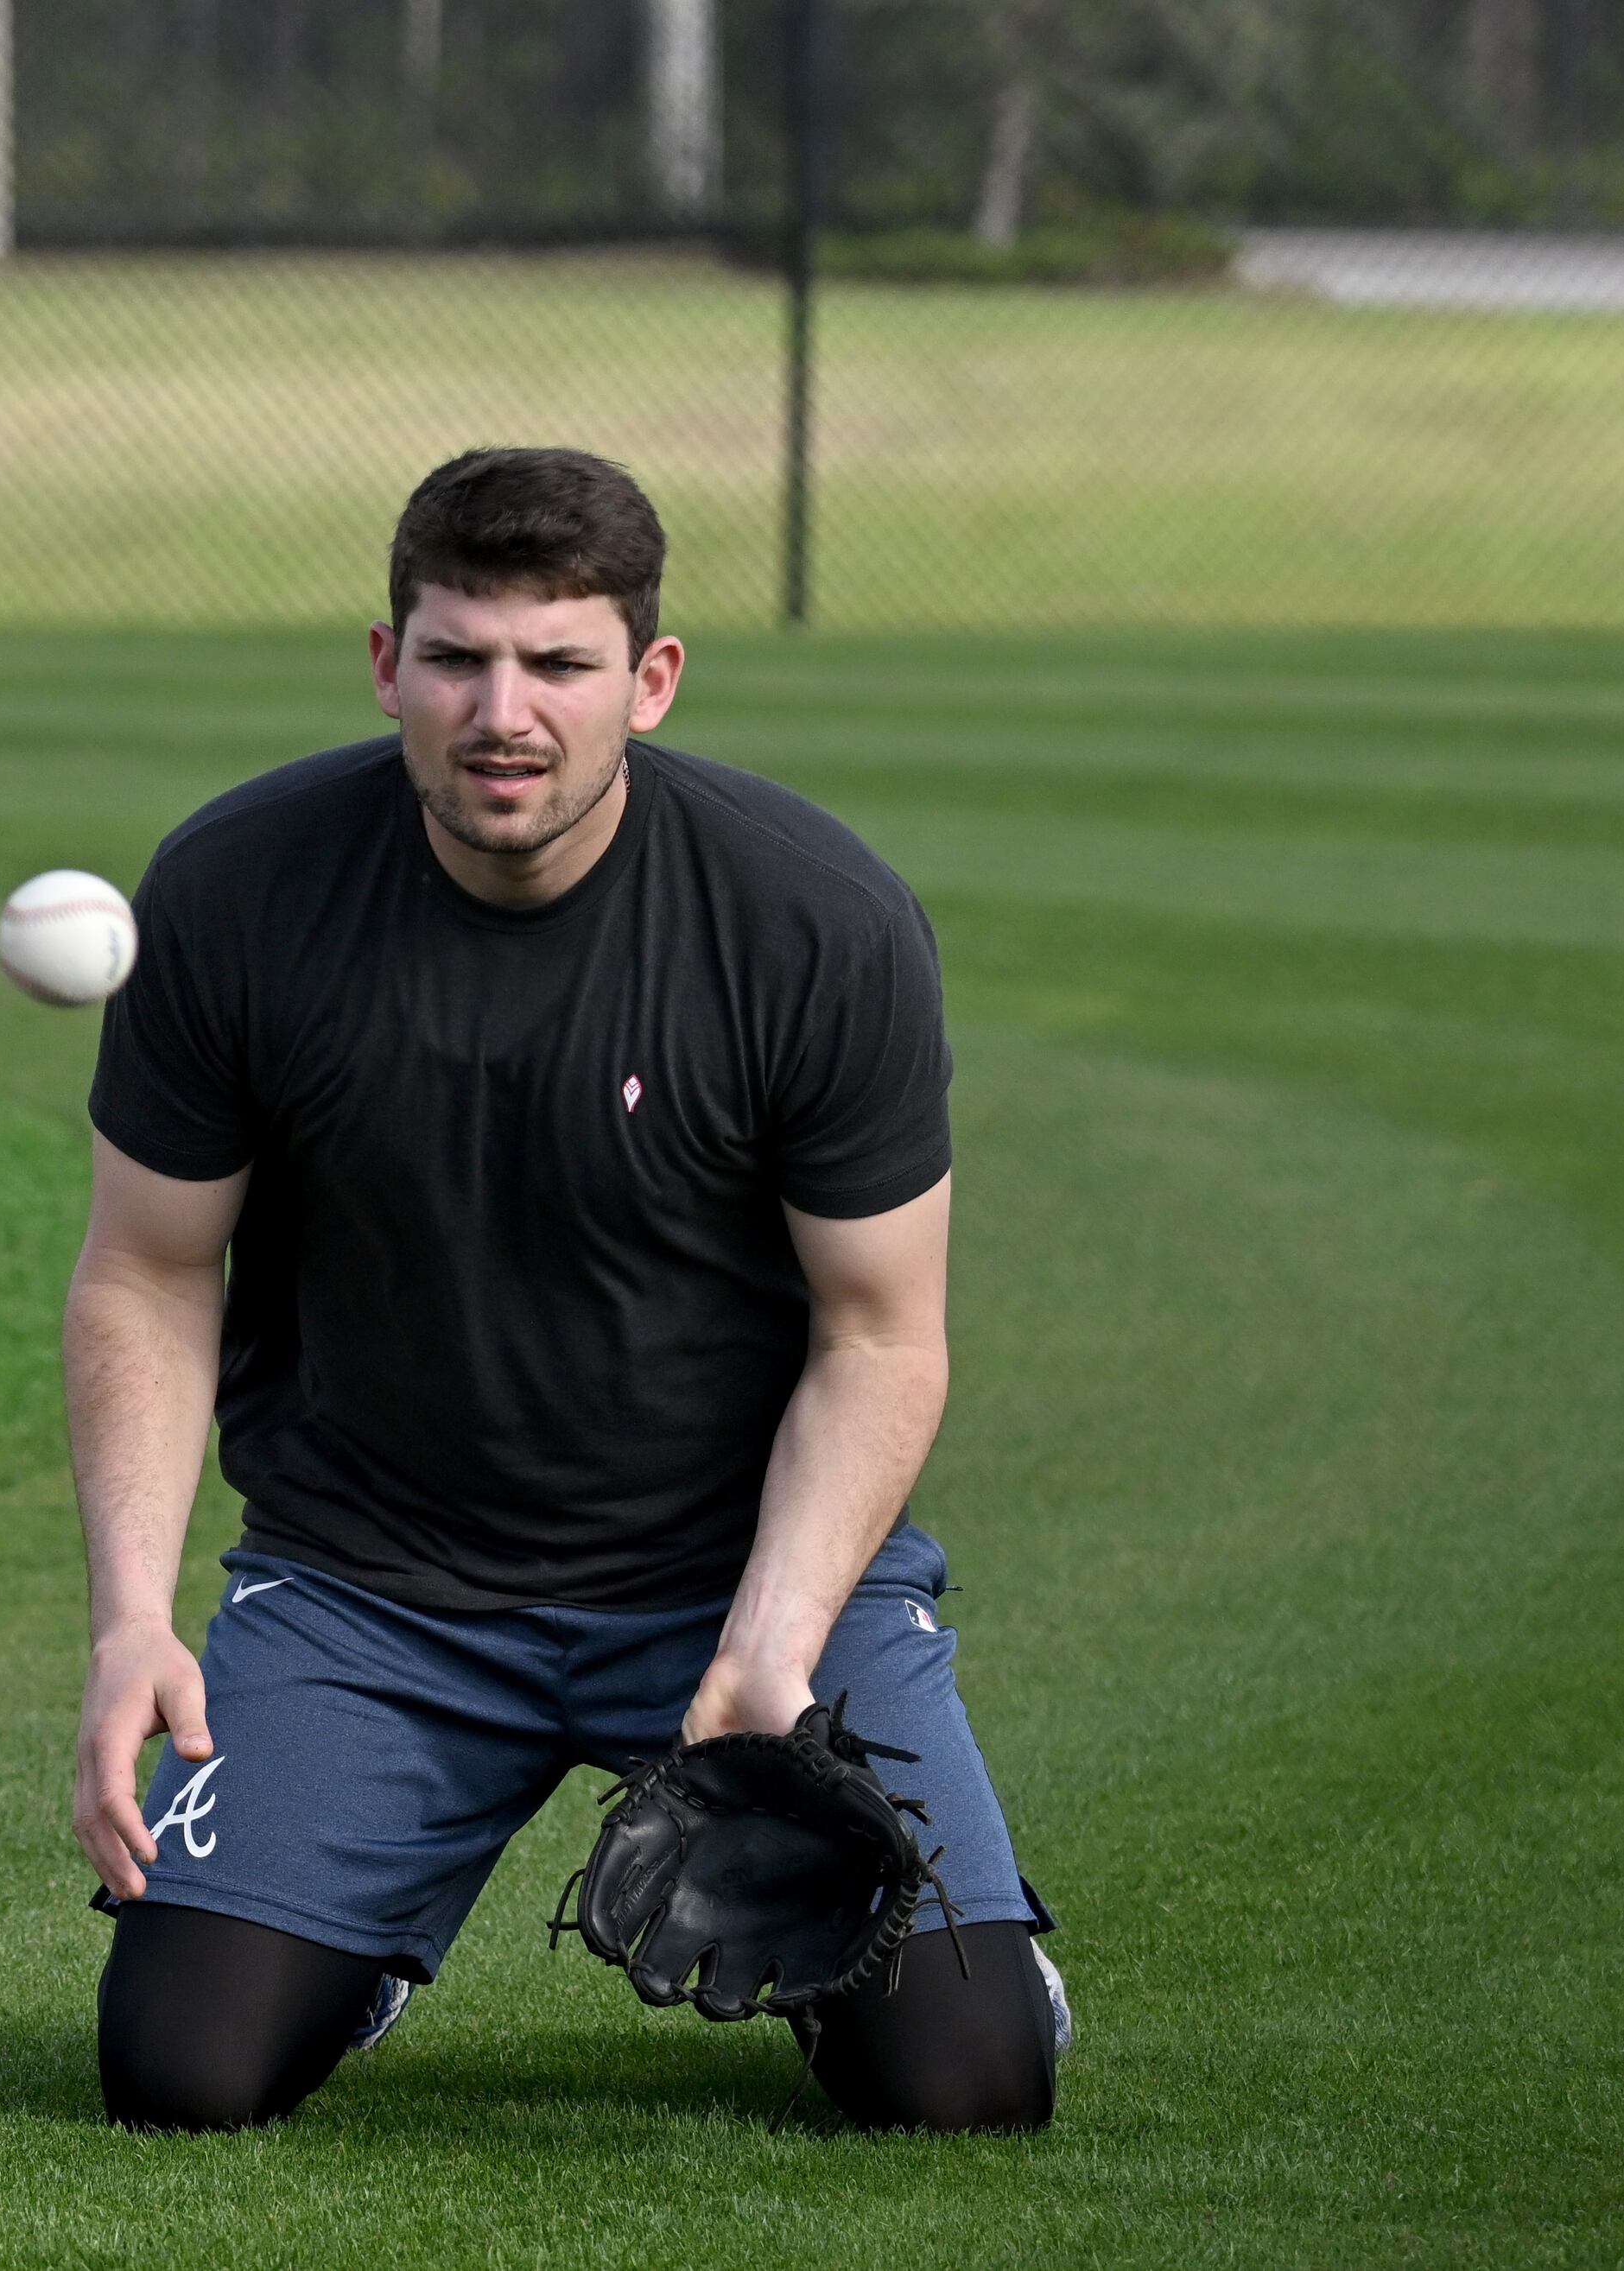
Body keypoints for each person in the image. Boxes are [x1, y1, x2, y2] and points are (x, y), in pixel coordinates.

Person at [65, 447, 1065, 2135]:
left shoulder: (812, 923)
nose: (501, 711)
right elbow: (149, 1271)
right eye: (456, 656)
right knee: (181, 2065)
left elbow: (881, 1331)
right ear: (386, 663)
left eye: (559, 663)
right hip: (369, 1591)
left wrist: (772, 1645)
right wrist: (130, 1616)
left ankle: (970, 1969)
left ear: (650, 681)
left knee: (966, 2081)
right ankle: (347, 1937)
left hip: (729, 1576)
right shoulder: (238, 894)